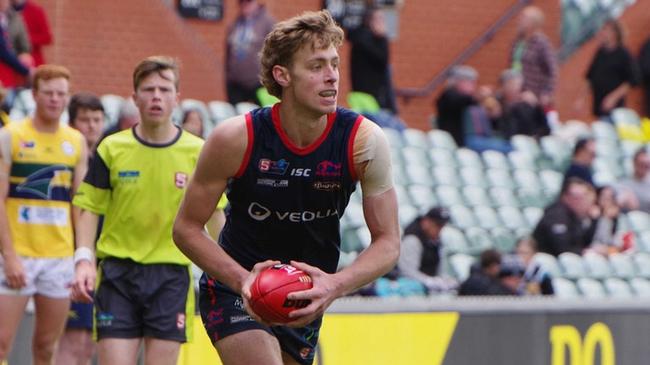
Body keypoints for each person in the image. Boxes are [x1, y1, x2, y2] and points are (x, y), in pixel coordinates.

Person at [172, 10, 399, 365]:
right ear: (283, 75)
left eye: (334, 64)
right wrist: (242, 280)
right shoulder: (236, 138)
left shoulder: (364, 141)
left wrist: (335, 285)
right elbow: (186, 228)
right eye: (316, 66)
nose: (332, 78)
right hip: (236, 287)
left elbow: (389, 243)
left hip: (306, 294)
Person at [70, 56, 225, 365]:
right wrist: (83, 260)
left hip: (170, 277)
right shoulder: (111, 148)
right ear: (135, 97)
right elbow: (88, 208)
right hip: (117, 274)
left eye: (165, 89)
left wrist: (233, 274)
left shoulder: (198, 152)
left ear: (177, 97)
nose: (157, 96)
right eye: (149, 89)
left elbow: (216, 218)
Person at [0, 64, 87, 365]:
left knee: (46, 346)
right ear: (35, 95)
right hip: (18, 253)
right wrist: (8, 255)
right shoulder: (11, 135)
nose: (54, 99)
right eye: (48, 93)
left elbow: (80, 205)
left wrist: (80, 256)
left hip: (58, 258)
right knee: (1, 343)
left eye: (61, 94)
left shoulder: (75, 141)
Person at [55, 92, 104, 365]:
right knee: (72, 342)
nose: (91, 126)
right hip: (68, 260)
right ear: (72, 123)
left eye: (97, 119)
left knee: (87, 346)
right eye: (84, 120)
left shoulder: (107, 160)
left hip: (99, 263)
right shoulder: (64, 163)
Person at [577, 19, 637, 119]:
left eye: (606, 30)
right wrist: (581, 99)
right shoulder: (600, 52)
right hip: (599, 104)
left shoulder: (623, 54)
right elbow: (590, 77)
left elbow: (632, 80)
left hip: (615, 108)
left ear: (615, 33)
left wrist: (613, 97)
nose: (602, 33)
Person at [225, 0, 275, 105]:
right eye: (241, 2)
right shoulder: (236, 23)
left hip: (259, 83)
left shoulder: (268, 23)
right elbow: (228, 54)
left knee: (261, 116)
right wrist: (228, 78)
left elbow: (275, 52)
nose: (244, 5)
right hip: (235, 84)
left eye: (248, 2)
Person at [348, 7, 397, 114]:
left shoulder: (362, 38)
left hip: (367, 96)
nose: (382, 24)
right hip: (367, 97)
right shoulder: (365, 40)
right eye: (379, 19)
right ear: (369, 21)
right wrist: (382, 39)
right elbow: (382, 60)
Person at [396, 207, 456, 293]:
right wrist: (429, 281)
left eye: (442, 226)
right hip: (410, 290)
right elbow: (407, 272)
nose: (440, 230)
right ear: (426, 222)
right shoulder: (412, 240)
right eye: (437, 225)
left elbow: (439, 270)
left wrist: (443, 280)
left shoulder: (436, 242)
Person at [533, 178, 597, 257]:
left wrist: (594, 221)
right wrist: (583, 252)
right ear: (565, 196)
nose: (584, 202)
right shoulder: (557, 214)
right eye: (577, 198)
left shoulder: (575, 217)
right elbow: (561, 248)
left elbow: (583, 243)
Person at [509, 5, 557, 108]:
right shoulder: (518, 41)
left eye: (524, 18)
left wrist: (547, 93)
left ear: (534, 22)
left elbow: (552, 70)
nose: (519, 20)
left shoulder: (542, 43)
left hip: (533, 94)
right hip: (516, 92)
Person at [496, 69, 549, 139]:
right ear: (503, 86)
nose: (517, 88)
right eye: (513, 84)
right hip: (504, 141)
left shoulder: (526, 105)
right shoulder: (496, 102)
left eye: (518, 85)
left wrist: (537, 106)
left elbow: (545, 129)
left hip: (526, 143)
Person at [435, 65, 479, 147]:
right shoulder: (448, 95)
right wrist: (477, 97)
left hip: (468, 138)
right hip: (454, 139)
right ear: (459, 82)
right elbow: (461, 101)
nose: (473, 86)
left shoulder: (466, 99)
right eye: (470, 82)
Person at [11, 0, 52, 67]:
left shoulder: (35, 10)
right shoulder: (6, 11)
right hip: (12, 60)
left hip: (33, 59)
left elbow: (47, 37)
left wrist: (24, 39)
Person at [615, 148, 650, 213]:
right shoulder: (624, 183)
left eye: (647, 164)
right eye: (641, 164)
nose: (645, 167)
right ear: (634, 163)